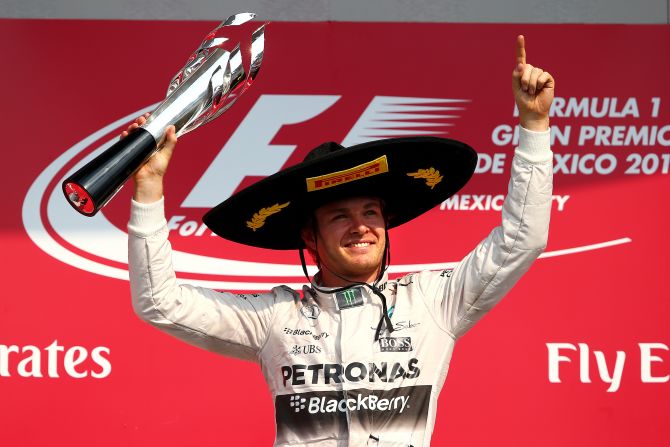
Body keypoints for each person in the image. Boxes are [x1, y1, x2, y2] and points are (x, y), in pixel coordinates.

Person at [126, 35, 554, 447]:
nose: (361, 227)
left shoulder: (433, 300)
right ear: (309, 237)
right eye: (339, 216)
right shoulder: (274, 316)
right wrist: (149, 186)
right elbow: (160, 302)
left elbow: (521, 239)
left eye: (370, 212)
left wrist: (534, 126)